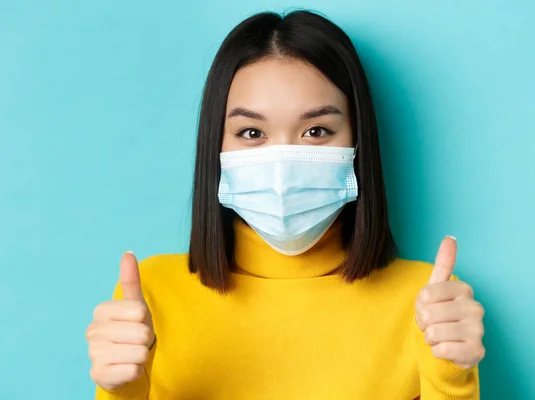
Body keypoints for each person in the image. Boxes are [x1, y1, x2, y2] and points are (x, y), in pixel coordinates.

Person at [86, 10, 485, 400]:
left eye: (316, 130)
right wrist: (121, 393)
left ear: (357, 144)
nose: (282, 165)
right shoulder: (151, 294)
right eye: (252, 131)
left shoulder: (430, 304)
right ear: (216, 146)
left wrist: (451, 381)